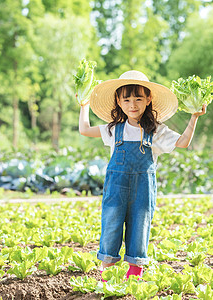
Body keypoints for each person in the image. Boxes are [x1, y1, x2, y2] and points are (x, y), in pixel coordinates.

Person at [78, 70, 206, 280]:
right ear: (118, 102)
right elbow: (84, 129)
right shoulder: (113, 130)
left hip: (142, 190)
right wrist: (84, 105)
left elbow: (183, 142)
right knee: (111, 225)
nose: (132, 104)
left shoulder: (155, 131)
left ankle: (135, 272)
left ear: (148, 99)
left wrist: (194, 117)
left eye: (138, 98)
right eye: (126, 99)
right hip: (115, 190)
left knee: (140, 225)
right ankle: (106, 272)